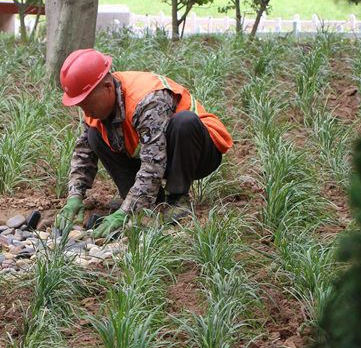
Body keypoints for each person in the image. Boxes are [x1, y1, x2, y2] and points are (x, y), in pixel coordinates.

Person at [53, 49, 232, 237]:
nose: (86, 112)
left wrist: (126, 212)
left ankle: (177, 197)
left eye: (87, 104)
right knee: (93, 135)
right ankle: (143, 200)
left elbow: (154, 161)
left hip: (199, 152)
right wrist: (74, 197)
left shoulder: (148, 100)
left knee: (184, 123)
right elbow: (83, 153)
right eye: (81, 106)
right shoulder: (96, 108)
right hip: (156, 151)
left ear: (107, 87)